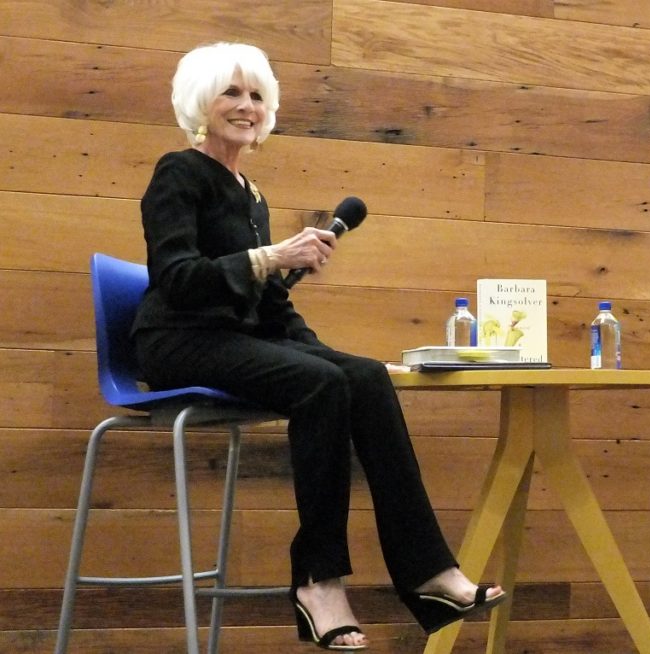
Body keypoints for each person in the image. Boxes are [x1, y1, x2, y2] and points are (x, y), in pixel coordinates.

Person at [130, 42, 505, 651]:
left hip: (235, 339)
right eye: (232, 92)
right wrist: (272, 256)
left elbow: (272, 309)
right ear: (202, 100)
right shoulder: (178, 173)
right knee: (321, 384)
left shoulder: (251, 194)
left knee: (360, 376)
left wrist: (342, 357)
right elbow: (176, 277)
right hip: (178, 339)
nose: (246, 106)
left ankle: (431, 573)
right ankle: (318, 581)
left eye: (256, 95)